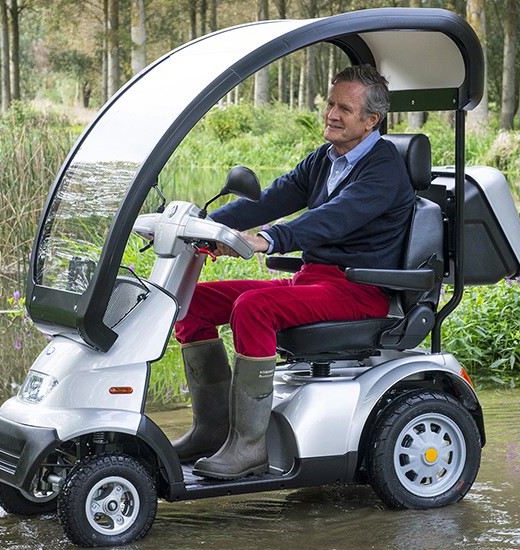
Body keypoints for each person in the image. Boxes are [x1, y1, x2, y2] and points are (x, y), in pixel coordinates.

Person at [172, 64, 416, 480]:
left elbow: (333, 219)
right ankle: (212, 430)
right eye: (330, 103)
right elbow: (270, 199)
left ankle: (250, 446)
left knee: (254, 307)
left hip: (359, 290)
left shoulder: (383, 168)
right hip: (313, 280)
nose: (331, 114)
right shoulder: (326, 158)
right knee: (190, 303)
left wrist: (268, 239)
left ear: (371, 120)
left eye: (344, 108)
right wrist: (208, 226)